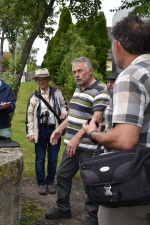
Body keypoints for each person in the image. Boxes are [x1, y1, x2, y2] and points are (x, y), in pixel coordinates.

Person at [83, 15, 150, 225]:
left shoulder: (131, 76)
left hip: (135, 186)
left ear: (117, 45)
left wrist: (93, 133)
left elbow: (125, 140)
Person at [44, 57, 110, 225]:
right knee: (63, 175)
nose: (77, 75)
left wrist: (77, 137)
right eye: (74, 72)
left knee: (91, 182)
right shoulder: (78, 89)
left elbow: (96, 120)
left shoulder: (100, 91)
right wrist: (59, 130)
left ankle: (93, 217)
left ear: (90, 70)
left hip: (88, 147)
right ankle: (63, 209)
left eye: (80, 71)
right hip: (72, 145)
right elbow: (73, 116)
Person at [26, 68, 68, 195]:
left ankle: (50, 182)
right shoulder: (34, 97)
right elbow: (29, 115)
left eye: (44, 79)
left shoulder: (57, 93)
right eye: (39, 79)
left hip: (55, 129)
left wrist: (63, 113)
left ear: (48, 80)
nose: (42, 81)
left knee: (53, 158)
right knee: (40, 158)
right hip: (41, 130)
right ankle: (41, 183)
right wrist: (31, 132)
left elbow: (64, 105)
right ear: (37, 80)